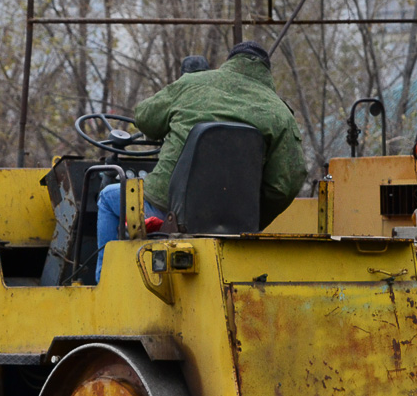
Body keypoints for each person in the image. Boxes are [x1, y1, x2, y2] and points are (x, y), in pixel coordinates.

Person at [94, 41, 307, 281]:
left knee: (108, 196)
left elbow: (144, 117)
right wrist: (248, 219)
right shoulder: (280, 113)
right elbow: (286, 184)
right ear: (267, 72)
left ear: (230, 62)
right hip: (235, 227)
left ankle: (105, 282)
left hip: (167, 213)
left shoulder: (191, 84)